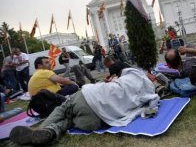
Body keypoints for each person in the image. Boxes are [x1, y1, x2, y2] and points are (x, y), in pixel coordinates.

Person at [10, 62, 159, 146]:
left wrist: (112, 79)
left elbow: (121, 75)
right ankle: (51, 132)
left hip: (87, 96)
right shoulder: (150, 92)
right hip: (94, 121)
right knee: (69, 122)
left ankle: (39, 130)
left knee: (63, 110)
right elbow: (152, 106)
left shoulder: (131, 73)